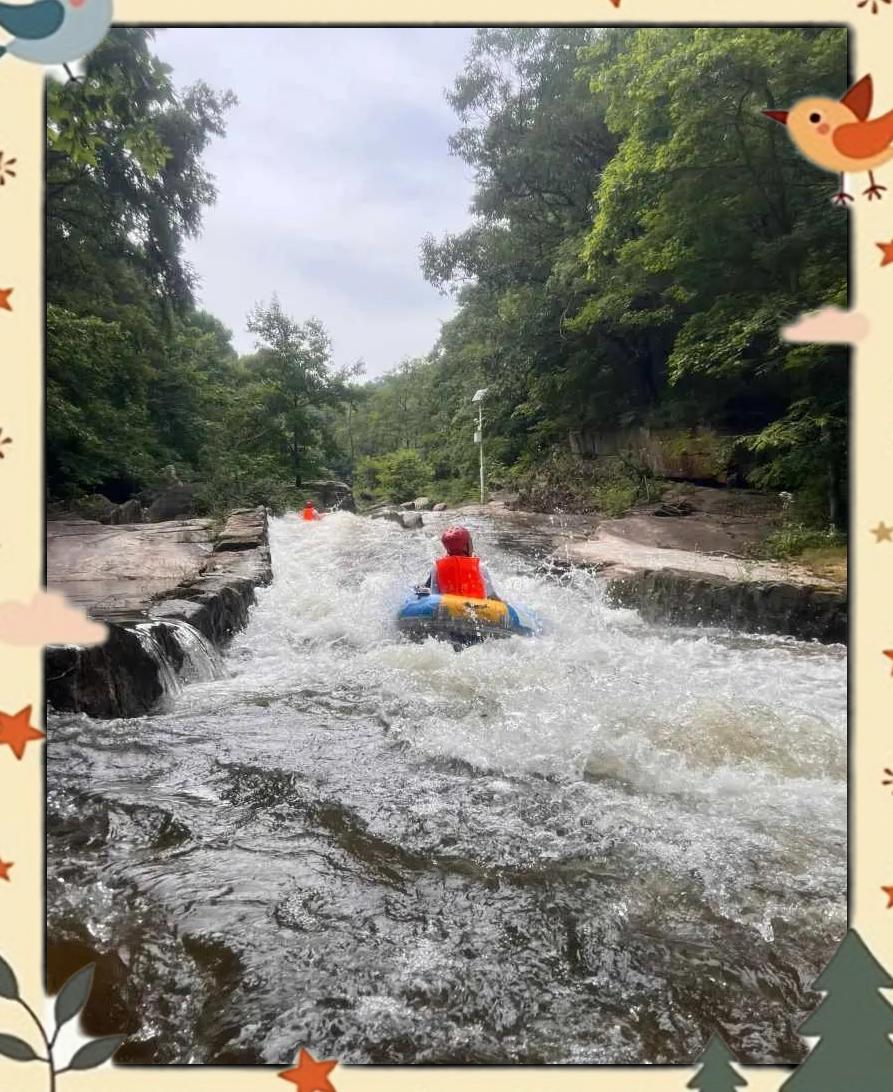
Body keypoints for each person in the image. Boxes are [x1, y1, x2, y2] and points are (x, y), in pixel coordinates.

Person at [418, 526, 500, 600]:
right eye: (470, 542)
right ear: (466, 546)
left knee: (422, 587)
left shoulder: (437, 567)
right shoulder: (479, 567)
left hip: (446, 610)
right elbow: (491, 596)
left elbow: (434, 595)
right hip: (474, 611)